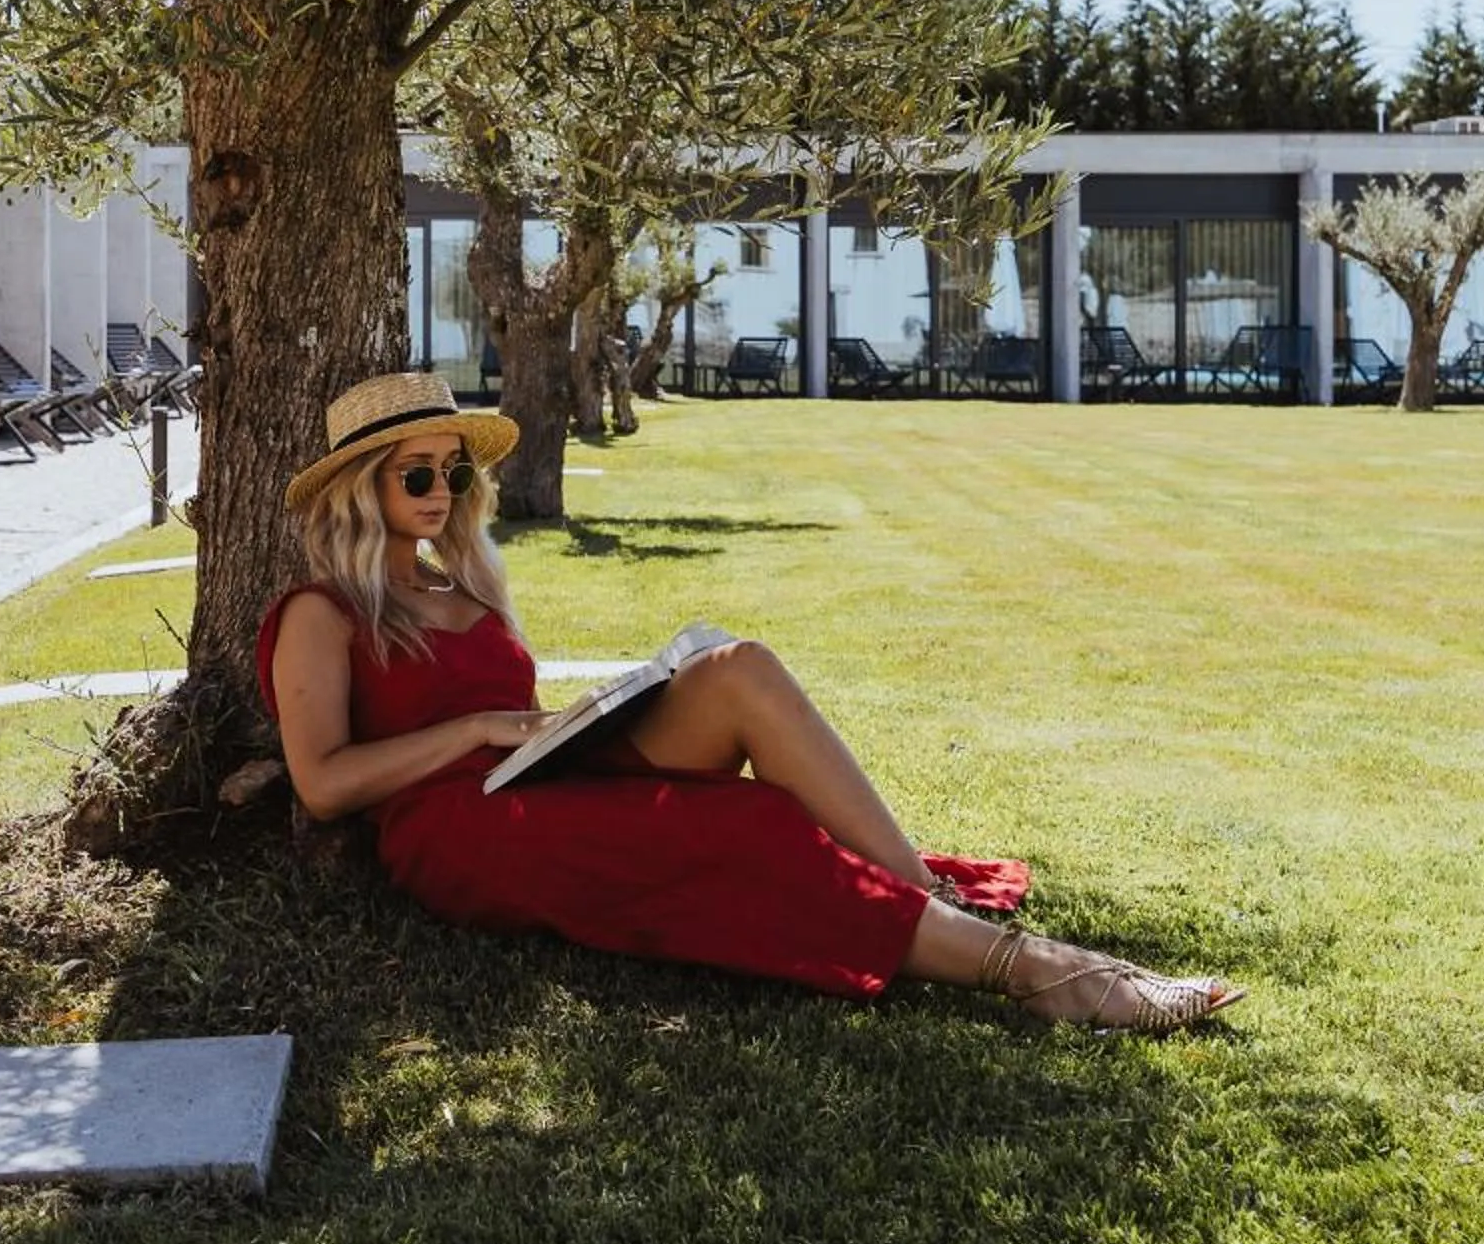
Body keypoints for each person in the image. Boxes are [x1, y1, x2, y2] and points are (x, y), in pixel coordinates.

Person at [259, 371, 1242, 1034]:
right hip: (458, 829)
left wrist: (576, 716)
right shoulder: (321, 610)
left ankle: (918, 894)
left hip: (535, 775)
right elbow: (325, 780)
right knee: (754, 825)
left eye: (454, 467)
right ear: (360, 488)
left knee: (739, 668)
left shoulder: (460, 583)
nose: (442, 488)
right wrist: (474, 727)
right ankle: (1045, 972)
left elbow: (504, 709)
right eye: (417, 472)